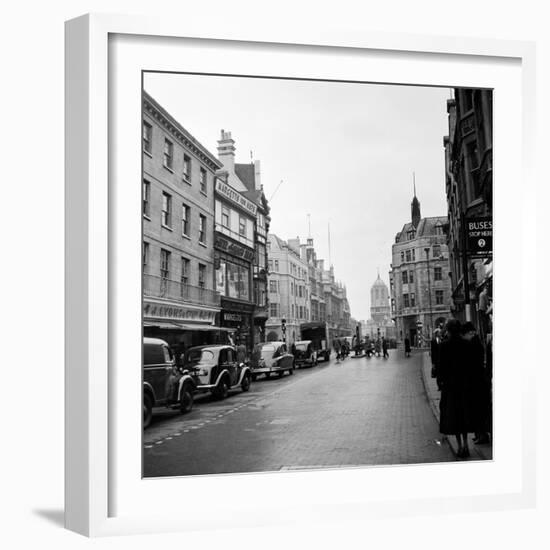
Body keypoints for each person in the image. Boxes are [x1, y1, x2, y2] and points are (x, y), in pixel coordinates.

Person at [438, 319, 477, 459]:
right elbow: (472, 366)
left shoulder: (444, 346)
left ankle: (460, 446)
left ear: (448, 330)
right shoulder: (467, 344)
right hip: (465, 386)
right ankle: (466, 444)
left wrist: (441, 382)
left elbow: (441, 368)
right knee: (464, 416)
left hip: (451, 387)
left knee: (454, 418)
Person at [462, 321, 491, 445]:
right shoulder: (475, 342)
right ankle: (479, 434)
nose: (464, 337)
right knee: (477, 411)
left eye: (465, 334)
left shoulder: (473, 344)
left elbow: (471, 364)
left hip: (476, 383)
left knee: (478, 411)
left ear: (470, 333)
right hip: (477, 382)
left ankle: (482, 435)